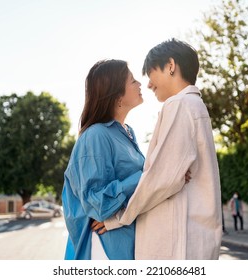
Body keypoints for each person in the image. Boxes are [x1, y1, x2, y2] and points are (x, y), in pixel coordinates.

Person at [99, 38, 223, 260]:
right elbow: (172, 173)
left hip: (176, 244)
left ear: (171, 66)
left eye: (150, 74)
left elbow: (162, 178)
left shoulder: (179, 104)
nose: (148, 84)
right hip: (192, 239)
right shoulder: (195, 106)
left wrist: (117, 218)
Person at [61, 59, 145, 260]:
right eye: (133, 81)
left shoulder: (128, 133)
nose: (140, 84)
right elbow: (98, 204)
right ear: (117, 94)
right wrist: (146, 177)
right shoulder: (96, 135)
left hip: (127, 243)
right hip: (104, 248)